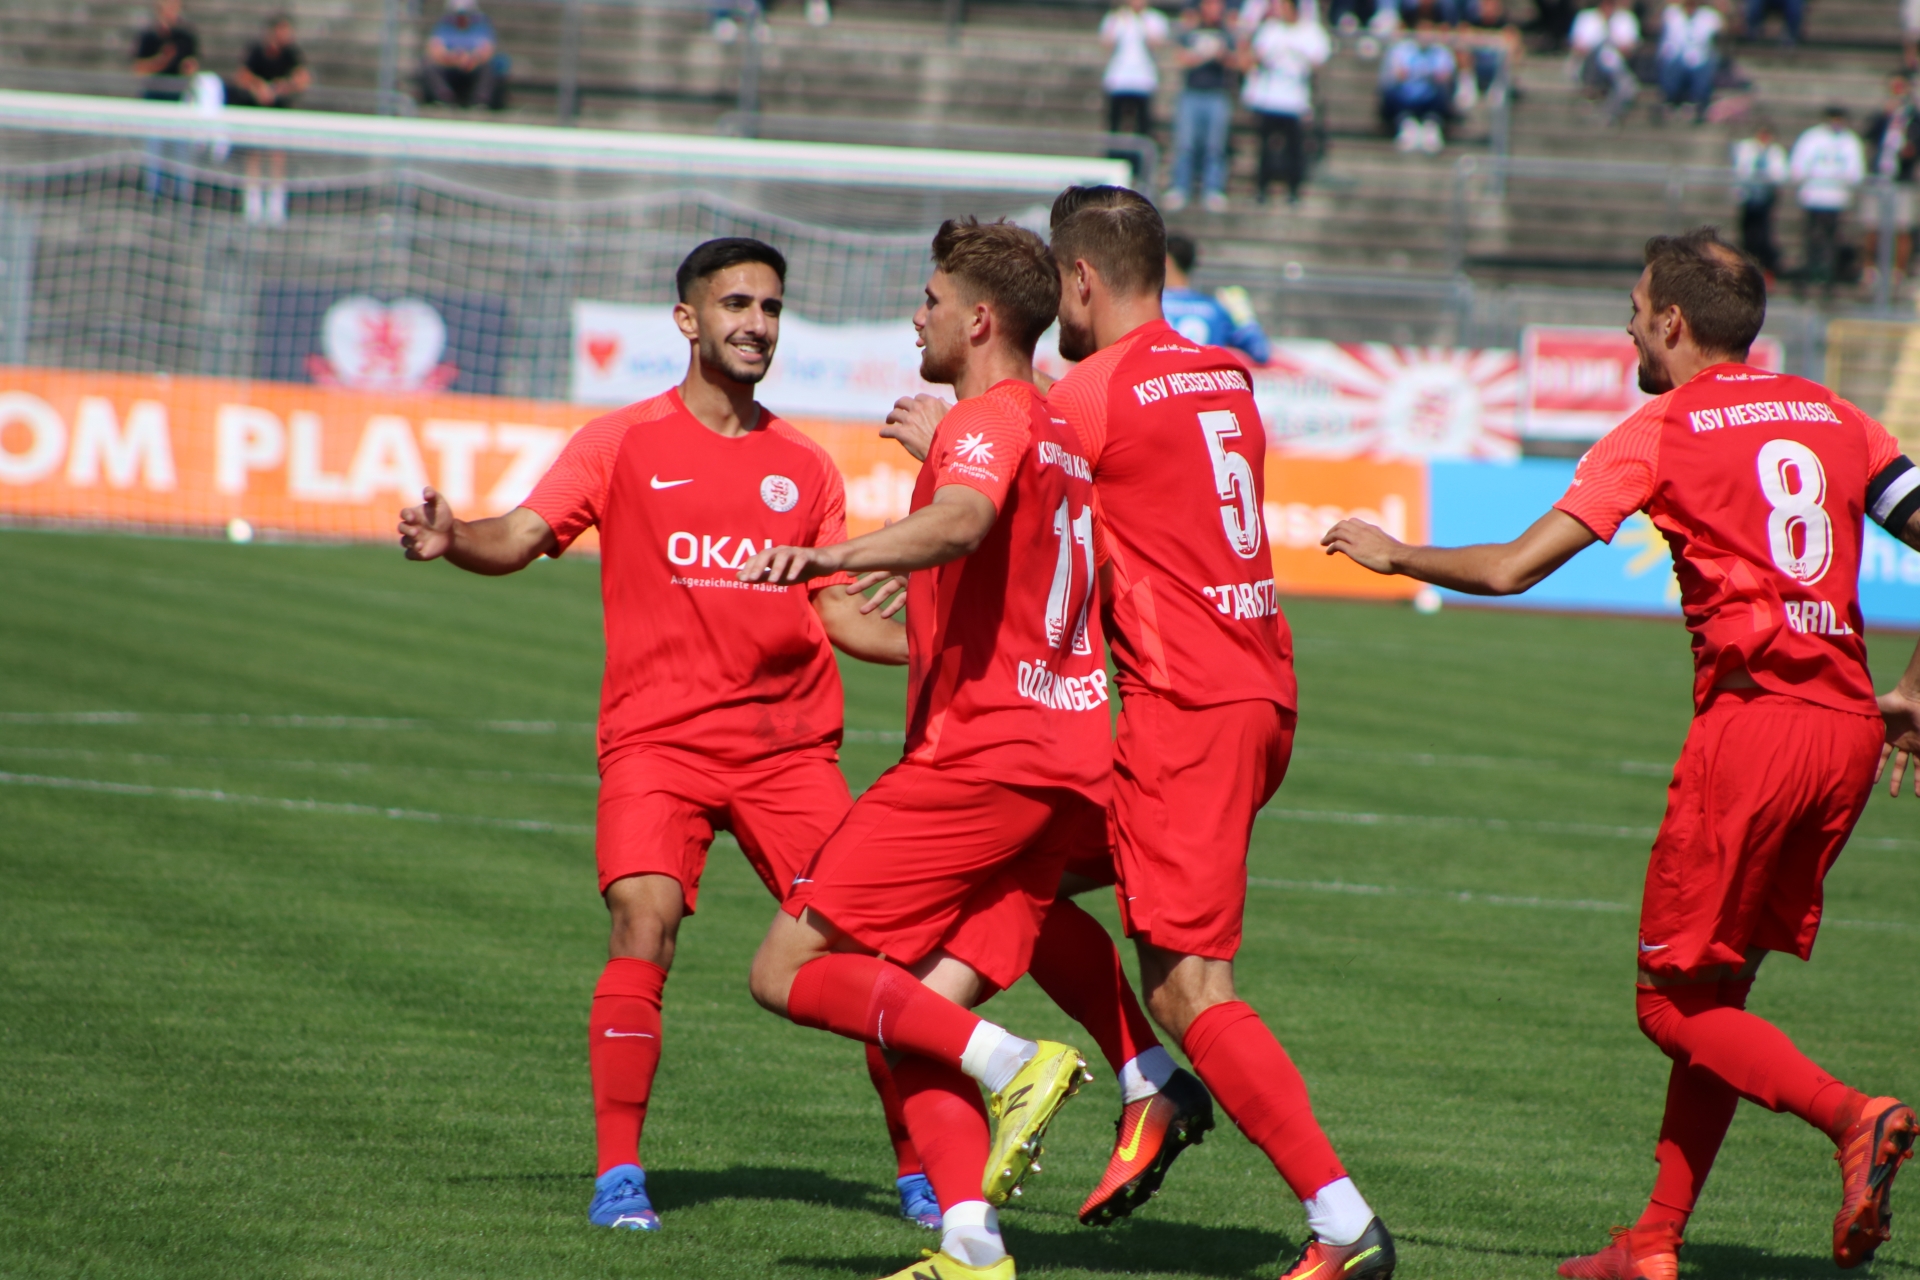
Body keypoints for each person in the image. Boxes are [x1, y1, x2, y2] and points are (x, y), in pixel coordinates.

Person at [1321, 226, 1918, 1280]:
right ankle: (1654, 1237)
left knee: (1667, 1003)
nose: (1627, 323)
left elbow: (1512, 568)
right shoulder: (1837, 415)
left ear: (1674, 323)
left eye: (1636, 307)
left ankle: (1851, 1115)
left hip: (1755, 729)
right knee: (1715, 993)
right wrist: (1913, 685)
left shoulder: (1662, 427)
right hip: (1847, 734)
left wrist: (1397, 551)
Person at [394, 237, 944, 1235]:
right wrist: (453, 536)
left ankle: (919, 1170)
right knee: (642, 921)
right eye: (736, 305)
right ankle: (618, 1175)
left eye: (772, 308)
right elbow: (520, 533)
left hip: (789, 751)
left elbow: (841, 615)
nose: (757, 325)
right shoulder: (621, 442)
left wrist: (944, 650)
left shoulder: (804, 465)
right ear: (687, 319)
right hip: (657, 745)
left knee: (875, 947)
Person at [738, 217, 1111, 1280]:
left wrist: (833, 547)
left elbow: (960, 520)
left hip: (981, 758)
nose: (919, 314)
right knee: (911, 1015)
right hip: (1063, 763)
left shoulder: (984, 422)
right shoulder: (1060, 433)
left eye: (933, 299)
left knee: (787, 965)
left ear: (979, 319)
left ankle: (1015, 1061)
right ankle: (969, 1244)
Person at [1044, 184, 1395, 1280]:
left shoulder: (1089, 393)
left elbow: (1042, 538)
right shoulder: (1223, 374)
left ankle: (1343, 1222)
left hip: (1185, 708)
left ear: (1082, 281)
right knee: (1012, 865)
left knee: (1193, 987)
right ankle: (1150, 1080)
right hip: (1256, 687)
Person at [1241, 0, 1329, 205]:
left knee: (1294, 149)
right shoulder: (1270, 30)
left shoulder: (1310, 32)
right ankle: (1262, 188)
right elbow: (1255, 56)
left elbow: (1319, 61)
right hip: (1270, 98)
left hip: (1295, 101)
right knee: (1265, 147)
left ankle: (1294, 190)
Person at [1166, 0, 1239, 212]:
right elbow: (1180, 58)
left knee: (1215, 146)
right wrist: (1200, 56)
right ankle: (1180, 186)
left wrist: (1222, 55)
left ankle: (1213, 189)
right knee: (1185, 144)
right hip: (1192, 93)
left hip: (1217, 94)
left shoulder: (1227, 33)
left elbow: (1240, 61)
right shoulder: (1192, 31)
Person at [1162, 233, 1272, 362]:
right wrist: (1244, 317)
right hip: (1204, 381)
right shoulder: (1215, 309)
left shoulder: (1150, 307)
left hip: (1160, 380)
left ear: (1166, 261)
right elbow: (1260, 352)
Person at [1791, 106, 1865, 289]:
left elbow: (1855, 172)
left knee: (1831, 239)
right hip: (1813, 198)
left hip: (1836, 199)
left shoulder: (1849, 141)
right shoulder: (1812, 137)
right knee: (1812, 238)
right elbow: (1799, 166)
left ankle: (1827, 276)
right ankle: (1810, 273)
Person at [1862, 75, 1920, 290]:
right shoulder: (1882, 116)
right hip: (1879, 178)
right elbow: (1869, 136)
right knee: (1872, 224)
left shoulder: (1914, 119)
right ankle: (1869, 269)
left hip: (1901, 179)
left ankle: (1898, 271)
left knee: (1902, 226)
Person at [1101, 0, 1171, 143]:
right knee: (1115, 127)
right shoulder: (1116, 17)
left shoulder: (1154, 18)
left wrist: (1142, 22)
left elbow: (1157, 43)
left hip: (1143, 80)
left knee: (1143, 128)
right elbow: (1107, 43)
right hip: (1118, 80)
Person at [1379, 25, 1457, 153]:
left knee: (1442, 94)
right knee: (1393, 92)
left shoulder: (1441, 51)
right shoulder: (1402, 49)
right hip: (1406, 98)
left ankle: (1431, 125)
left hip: (1431, 98)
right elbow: (1395, 76)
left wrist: (1428, 73)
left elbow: (1446, 77)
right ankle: (1406, 124)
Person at [421, 0, 505, 110]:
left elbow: (487, 51)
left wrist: (472, 59)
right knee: (428, 65)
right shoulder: (444, 25)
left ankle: (480, 103)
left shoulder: (482, 25)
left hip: (473, 69)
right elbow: (434, 50)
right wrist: (454, 59)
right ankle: (444, 99)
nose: (461, 18)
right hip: (449, 69)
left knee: (490, 67)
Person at [1731, 122, 1788, 277]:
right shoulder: (1746, 148)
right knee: (1747, 234)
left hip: (1766, 199)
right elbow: (1742, 170)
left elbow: (1779, 174)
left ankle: (1765, 268)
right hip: (1748, 198)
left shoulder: (1775, 151)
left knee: (1763, 234)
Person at [1570, 0, 1640, 123]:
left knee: (1627, 86)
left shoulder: (1626, 18)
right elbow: (1577, 47)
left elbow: (1630, 49)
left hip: (1615, 67)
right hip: (1589, 66)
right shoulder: (1585, 17)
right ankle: (1591, 92)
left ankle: (1608, 114)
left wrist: (1615, 42)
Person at [1655, 0, 1721, 125]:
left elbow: (1724, 28)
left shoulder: (1708, 16)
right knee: (1671, 66)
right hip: (1674, 57)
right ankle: (1670, 101)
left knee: (1704, 66)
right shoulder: (1671, 14)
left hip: (1699, 58)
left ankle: (1695, 103)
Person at [132, 0, 199, 99]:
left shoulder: (186, 37)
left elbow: (192, 67)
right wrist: (162, 60)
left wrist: (188, 67)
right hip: (153, 91)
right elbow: (138, 69)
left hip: (178, 91)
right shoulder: (149, 36)